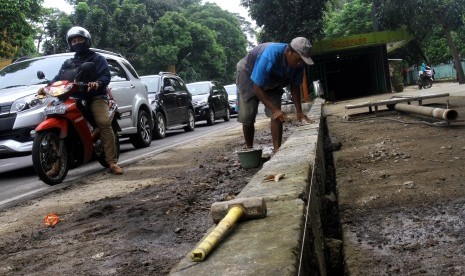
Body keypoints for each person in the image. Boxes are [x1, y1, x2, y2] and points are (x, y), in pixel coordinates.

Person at [39, 26, 123, 175]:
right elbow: (59, 79)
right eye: (74, 41)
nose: (77, 42)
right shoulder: (68, 63)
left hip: (95, 96)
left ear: (87, 41)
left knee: (103, 123)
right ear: (70, 44)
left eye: (80, 40)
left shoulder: (98, 59)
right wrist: (46, 87)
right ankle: (56, 165)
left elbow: (106, 76)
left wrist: (97, 83)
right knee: (54, 116)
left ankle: (112, 162)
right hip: (73, 97)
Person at [236, 37, 313, 153]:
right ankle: (249, 149)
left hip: (273, 80)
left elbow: (295, 86)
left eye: (302, 61)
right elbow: (257, 87)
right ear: (288, 52)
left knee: (277, 114)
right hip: (248, 73)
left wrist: (299, 111)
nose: (299, 64)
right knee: (248, 114)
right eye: (297, 60)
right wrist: (274, 109)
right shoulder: (270, 55)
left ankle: (277, 150)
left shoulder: (299, 64)